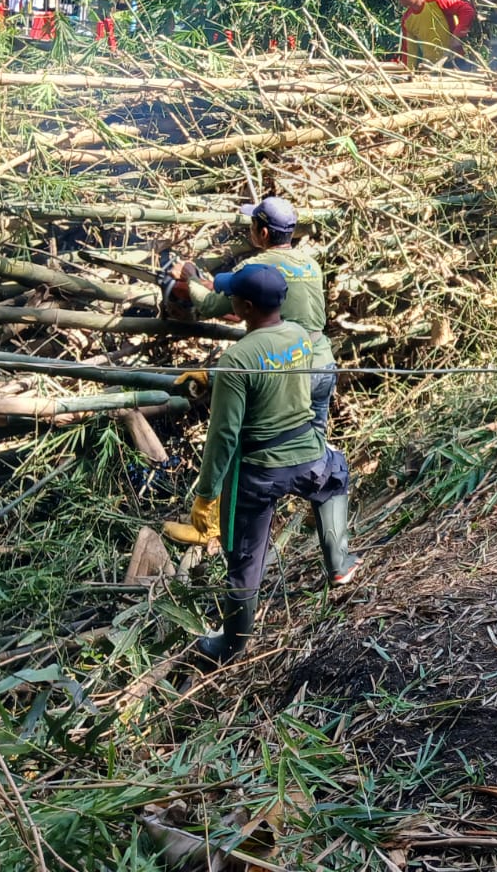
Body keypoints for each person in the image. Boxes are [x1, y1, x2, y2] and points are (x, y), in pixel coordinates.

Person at [183, 264, 361, 665]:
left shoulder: (236, 360)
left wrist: (207, 493)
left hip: (259, 472)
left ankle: (231, 644)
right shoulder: (301, 337)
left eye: (233, 297)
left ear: (244, 306)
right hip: (309, 455)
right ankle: (340, 564)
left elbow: (224, 436)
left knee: (244, 558)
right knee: (334, 476)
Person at [162, 196, 337, 548]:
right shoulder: (311, 264)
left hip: (286, 370)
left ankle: (212, 525)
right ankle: (320, 526)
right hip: (322, 363)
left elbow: (214, 304)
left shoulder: (256, 268)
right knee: (311, 448)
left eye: (251, 226)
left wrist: (191, 282)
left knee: (238, 443)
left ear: (262, 231)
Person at [386, 0, 475, 71]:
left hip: (456, 63)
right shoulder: (407, 20)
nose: (398, 1)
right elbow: (410, 54)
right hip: (430, 68)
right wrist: (408, 73)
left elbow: (467, 10)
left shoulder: (437, 0)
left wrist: (456, 36)